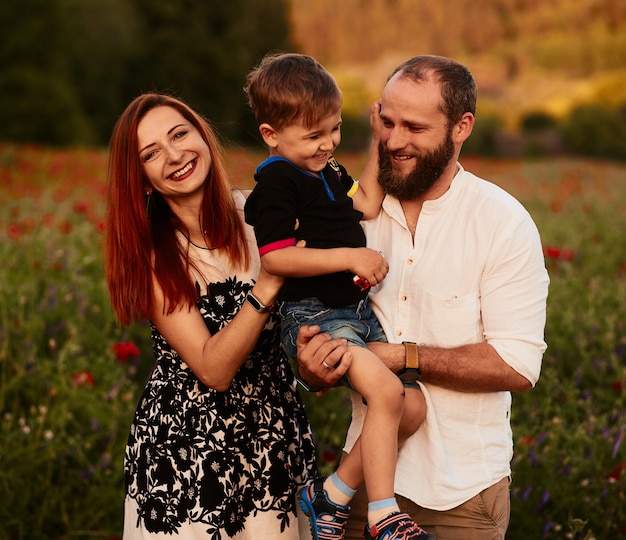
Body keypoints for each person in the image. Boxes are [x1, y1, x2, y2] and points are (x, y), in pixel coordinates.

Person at [296, 55, 550, 540]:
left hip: (462, 496)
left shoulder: (502, 222)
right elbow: (315, 316)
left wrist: (396, 358)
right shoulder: (349, 214)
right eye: (386, 122)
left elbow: (517, 365)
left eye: (414, 127)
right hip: (358, 487)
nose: (394, 140)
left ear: (462, 127)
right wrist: (313, 370)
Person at [104, 92, 318, 539]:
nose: (175, 154)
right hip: (186, 455)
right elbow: (213, 369)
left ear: (202, 134)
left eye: (180, 134)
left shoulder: (261, 214)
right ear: (141, 178)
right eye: (151, 153)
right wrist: (271, 281)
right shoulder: (152, 257)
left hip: (272, 441)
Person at [243, 52, 434, 540]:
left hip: (354, 314)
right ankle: (382, 515)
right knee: (390, 393)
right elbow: (277, 259)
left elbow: (366, 203)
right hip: (316, 317)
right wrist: (351, 258)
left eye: (333, 130)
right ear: (271, 135)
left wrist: (375, 140)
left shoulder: (326, 171)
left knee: (410, 408)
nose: (327, 144)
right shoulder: (276, 183)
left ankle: (330, 496)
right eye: (313, 136)